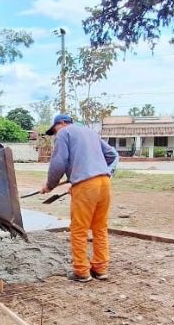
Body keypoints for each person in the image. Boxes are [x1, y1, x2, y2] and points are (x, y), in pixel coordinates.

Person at [41, 114, 119, 283]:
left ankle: (82, 271)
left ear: (62, 123)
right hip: (104, 182)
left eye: (55, 129)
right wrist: (97, 171)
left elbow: (58, 163)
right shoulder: (90, 132)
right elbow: (112, 155)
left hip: (86, 186)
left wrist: (50, 185)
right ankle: (100, 269)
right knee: (100, 228)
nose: (55, 134)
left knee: (79, 229)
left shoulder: (64, 133)